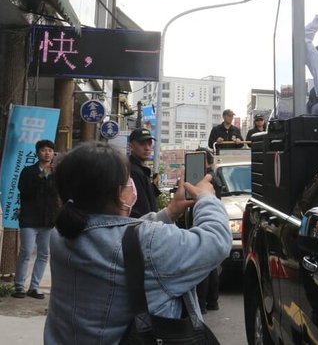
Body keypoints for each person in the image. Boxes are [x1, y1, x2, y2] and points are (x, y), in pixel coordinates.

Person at [44, 141, 230, 344]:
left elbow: (119, 236)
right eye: (128, 180)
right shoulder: (149, 242)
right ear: (119, 193)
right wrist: (206, 199)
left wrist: (169, 212)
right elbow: (216, 240)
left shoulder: (61, 235)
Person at [13, 139, 59, 300]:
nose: (47, 153)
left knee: (44, 254)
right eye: (43, 150)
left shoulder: (56, 173)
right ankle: (19, 286)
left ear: (53, 153)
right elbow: (24, 191)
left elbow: (57, 195)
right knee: (26, 251)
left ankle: (34, 287)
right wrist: (41, 176)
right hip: (29, 219)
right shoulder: (28, 171)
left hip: (48, 220)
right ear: (37, 153)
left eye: (50, 150)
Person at [195, 147, 221, 313]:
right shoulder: (203, 176)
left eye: (200, 158)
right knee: (210, 265)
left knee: (204, 265)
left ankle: (203, 302)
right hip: (210, 221)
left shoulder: (211, 176)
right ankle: (211, 302)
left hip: (207, 221)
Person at [127, 128, 160, 218]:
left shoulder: (141, 170)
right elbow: (142, 209)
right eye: (142, 144)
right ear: (131, 146)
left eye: (149, 144)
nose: (147, 148)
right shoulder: (133, 171)